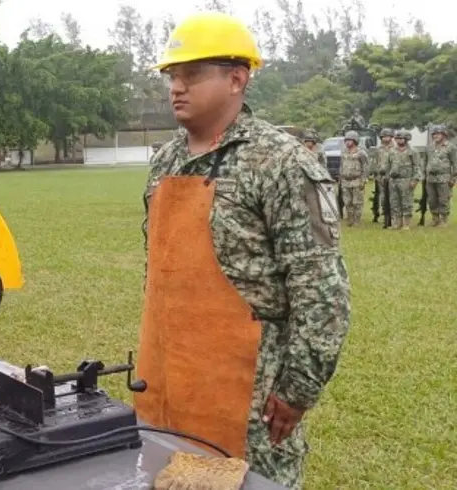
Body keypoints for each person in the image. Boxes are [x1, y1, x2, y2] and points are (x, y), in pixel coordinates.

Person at [137, 12, 350, 490]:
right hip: (166, 382)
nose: (177, 86)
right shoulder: (166, 160)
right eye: (173, 75)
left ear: (237, 78)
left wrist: (296, 390)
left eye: (191, 74)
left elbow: (321, 290)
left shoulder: (281, 163)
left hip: (246, 397)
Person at [385, 130, 421, 230]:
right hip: (393, 180)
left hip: (406, 180)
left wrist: (415, 180)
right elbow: (388, 165)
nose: (398, 140)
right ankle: (396, 223)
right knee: (394, 202)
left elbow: (417, 166)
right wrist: (387, 177)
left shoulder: (413, 151)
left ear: (406, 139)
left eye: (401, 138)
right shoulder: (392, 151)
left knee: (406, 202)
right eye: (397, 138)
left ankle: (406, 224)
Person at [425, 124, 456, 226]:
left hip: (444, 177)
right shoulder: (429, 147)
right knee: (432, 200)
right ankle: (435, 218)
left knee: (443, 199)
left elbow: (455, 163)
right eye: (434, 134)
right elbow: (426, 162)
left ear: (444, 134)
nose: (435, 136)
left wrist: (453, 178)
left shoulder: (450, 147)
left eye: (438, 134)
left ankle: (443, 220)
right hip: (430, 178)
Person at [339, 131, 369, 226]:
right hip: (345, 181)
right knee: (347, 202)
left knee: (357, 202)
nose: (347, 142)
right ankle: (350, 219)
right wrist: (340, 178)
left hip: (356, 180)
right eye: (346, 140)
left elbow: (366, 167)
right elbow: (341, 166)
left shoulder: (361, 153)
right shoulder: (343, 152)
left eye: (350, 140)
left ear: (355, 141)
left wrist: (363, 180)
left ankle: (357, 221)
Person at [369, 129, 395, 223]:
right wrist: (374, 174)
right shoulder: (379, 149)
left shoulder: (395, 148)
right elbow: (374, 162)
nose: (385, 138)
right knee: (383, 197)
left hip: (392, 176)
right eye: (383, 136)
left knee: (393, 197)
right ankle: (385, 215)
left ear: (391, 137)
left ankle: (393, 216)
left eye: (387, 136)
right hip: (380, 177)